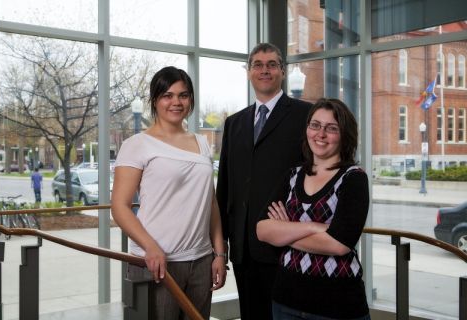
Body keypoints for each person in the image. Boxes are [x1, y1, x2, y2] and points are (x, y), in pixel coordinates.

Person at [111, 66, 226, 320]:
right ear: (155, 100)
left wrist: (219, 253)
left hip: (201, 262)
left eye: (183, 95)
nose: (176, 102)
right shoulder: (137, 145)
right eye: (168, 95)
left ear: (191, 100)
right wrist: (150, 247)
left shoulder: (202, 143)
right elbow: (119, 206)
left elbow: (211, 203)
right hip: (157, 262)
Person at [216, 42, 312, 319]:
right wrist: (221, 246)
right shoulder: (235, 123)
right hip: (243, 249)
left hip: (285, 246)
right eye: (257, 65)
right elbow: (226, 187)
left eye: (272, 64)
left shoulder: (305, 116)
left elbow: (317, 172)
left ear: (282, 71)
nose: (264, 70)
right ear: (249, 72)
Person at [257, 98, 370, 320]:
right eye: (315, 125)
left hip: (337, 306)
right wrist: (314, 227)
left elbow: (339, 245)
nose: (321, 134)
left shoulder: (354, 178)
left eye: (331, 128)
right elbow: (262, 230)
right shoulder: (293, 175)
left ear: (344, 135)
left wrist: (284, 231)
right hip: (285, 300)